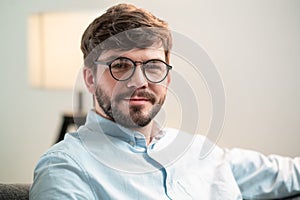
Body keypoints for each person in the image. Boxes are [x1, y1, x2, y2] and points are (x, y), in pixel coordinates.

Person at [29, 3, 300, 200]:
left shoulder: (200, 151)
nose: (139, 81)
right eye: (121, 65)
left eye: (154, 66)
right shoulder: (66, 167)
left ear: (168, 79)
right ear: (90, 79)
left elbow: (289, 173)